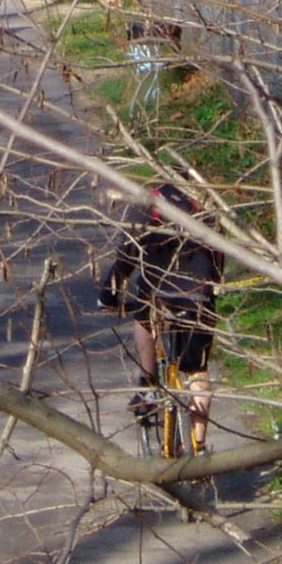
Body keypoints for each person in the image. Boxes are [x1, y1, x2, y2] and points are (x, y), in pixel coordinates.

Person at [97, 182, 223, 452]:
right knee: (197, 374)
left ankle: (148, 385)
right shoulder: (204, 214)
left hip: (157, 297)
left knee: (143, 317)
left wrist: (107, 297)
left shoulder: (145, 214)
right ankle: (199, 447)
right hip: (198, 300)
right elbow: (217, 267)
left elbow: (124, 261)